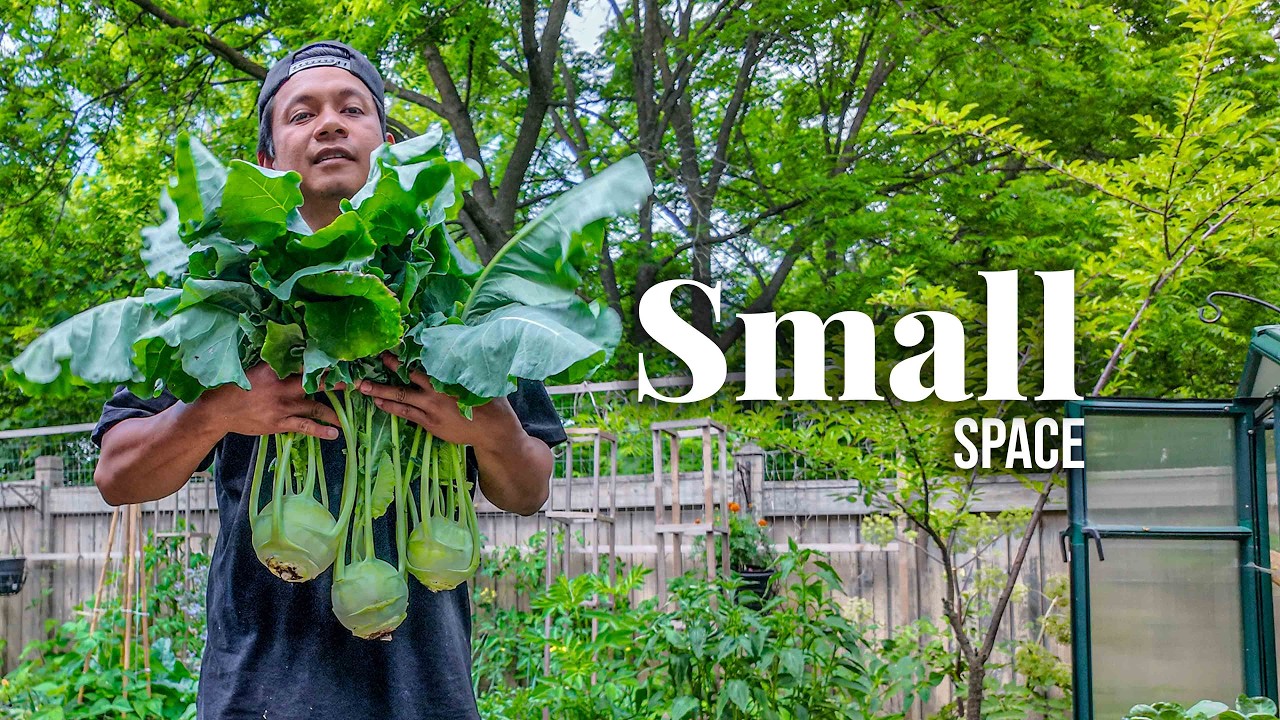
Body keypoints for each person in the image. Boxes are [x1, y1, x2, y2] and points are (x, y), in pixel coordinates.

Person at [91, 40, 565, 719]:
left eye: (352, 109)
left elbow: (529, 488)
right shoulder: (215, 293)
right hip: (260, 695)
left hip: (424, 695)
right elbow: (117, 473)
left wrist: (490, 428)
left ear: (388, 145)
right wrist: (214, 412)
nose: (330, 124)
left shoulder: (462, 300)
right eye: (301, 113)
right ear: (267, 162)